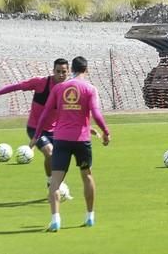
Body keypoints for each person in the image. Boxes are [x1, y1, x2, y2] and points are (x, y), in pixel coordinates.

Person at [31, 56, 110, 232]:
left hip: (61, 140)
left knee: (55, 182)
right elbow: (96, 114)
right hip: (82, 140)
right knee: (87, 176)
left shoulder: (59, 88)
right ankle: (90, 217)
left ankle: (55, 220)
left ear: (71, 69)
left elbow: (44, 114)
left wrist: (37, 134)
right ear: (86, 70)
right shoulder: (90, 88)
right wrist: (106, 132)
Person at [0, 58, 70, 186]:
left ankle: (59, 184)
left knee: (61, 158)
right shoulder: (40, 82)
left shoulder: (69, 89)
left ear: (69, 72)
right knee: (50, 153)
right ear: (53, 71)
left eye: (64, 72)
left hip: (55, 130)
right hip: (35, 128)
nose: (61, 75)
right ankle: (51, 182)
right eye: (58, 71)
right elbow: (16, 86)